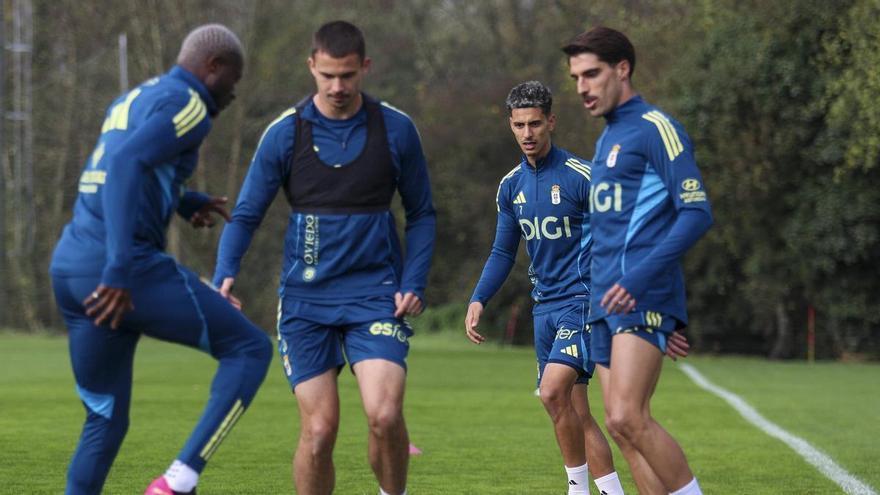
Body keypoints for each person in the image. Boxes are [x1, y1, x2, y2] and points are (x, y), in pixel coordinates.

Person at [212, 20, 435, 495]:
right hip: (305, 303)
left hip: (376, 295)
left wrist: (413, 281)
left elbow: (422, 214)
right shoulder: (283, 134)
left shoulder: (396, 129)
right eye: (328, 75)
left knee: (385, 413)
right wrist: (224, 275)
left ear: (365, 68)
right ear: (311, 65)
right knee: (319, 432)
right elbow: (247, 214)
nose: (337, 87)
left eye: (348, 76)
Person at [49, 24, 273, 495]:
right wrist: (118, 267)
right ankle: (179, 482)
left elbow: (118, 171)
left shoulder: (136, 96)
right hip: (119, 271)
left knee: (104, 419)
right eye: (233, 81)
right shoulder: (191, 107)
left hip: (70, 267)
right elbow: (125, 167)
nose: (233, 94)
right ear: (213, 68)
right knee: (250, 349)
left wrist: (183, 199)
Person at [563, 26, 713, 495]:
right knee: (621, 429)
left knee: (630, 415)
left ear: (622, 70)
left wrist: (650, 292)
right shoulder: (608, 141)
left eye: (592, 74)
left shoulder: (655, 128)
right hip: (605, 302)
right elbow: (616, 232)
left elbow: (695, 212)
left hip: (639, 294)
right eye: (575, 78)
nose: (582, 87)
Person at [464, 81, 626, 495]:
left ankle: (575, 489)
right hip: (544, 309)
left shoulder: (583, 178)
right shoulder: (510, 187)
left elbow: (622, 237)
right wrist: (479, 298)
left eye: (535, 123)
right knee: (576, 412)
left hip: (584, 303)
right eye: (519, 125)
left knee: (552, 393)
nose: (528, 133)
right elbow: (503, 252)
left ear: (551, 121)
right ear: (511, 126)